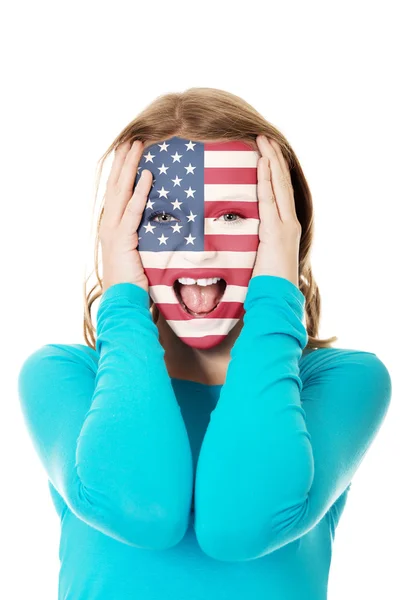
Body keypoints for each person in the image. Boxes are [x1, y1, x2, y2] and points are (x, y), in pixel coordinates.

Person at [17, 87, 392, 600]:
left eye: (233, 217)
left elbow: (243, 524)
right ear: (120, 235)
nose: (196, 252)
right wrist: (123, 302)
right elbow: (140, 510)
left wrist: (275, 298)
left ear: (283, 233)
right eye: (165, 219)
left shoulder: (341, 382)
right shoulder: (62, 377)